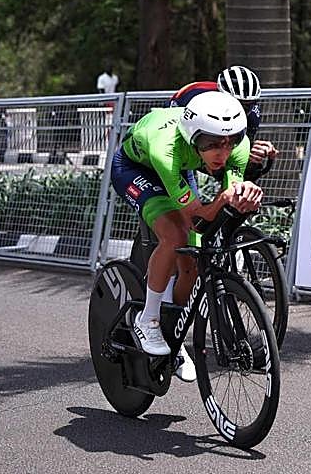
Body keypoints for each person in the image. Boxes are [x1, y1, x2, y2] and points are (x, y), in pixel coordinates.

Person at [110, 90, 261, 381]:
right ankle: (148, 319)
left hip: (181, 165)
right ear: (194, 137)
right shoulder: (166, 148)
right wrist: (223, 200)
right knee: (176, 236)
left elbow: (229, 198)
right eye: (211, 143)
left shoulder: (238, 146)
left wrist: (244, 196)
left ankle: (171, 331)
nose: (222, 153)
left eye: (229, 142)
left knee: (192, 262)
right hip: (137, 169)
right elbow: (197, 219)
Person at [171, 65, 279, 182]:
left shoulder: (252, 115)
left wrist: (253, 154)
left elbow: (238, 151)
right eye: (236, 103)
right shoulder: (195, 98)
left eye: (248, 105)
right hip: (178, 118)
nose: (241, 110)